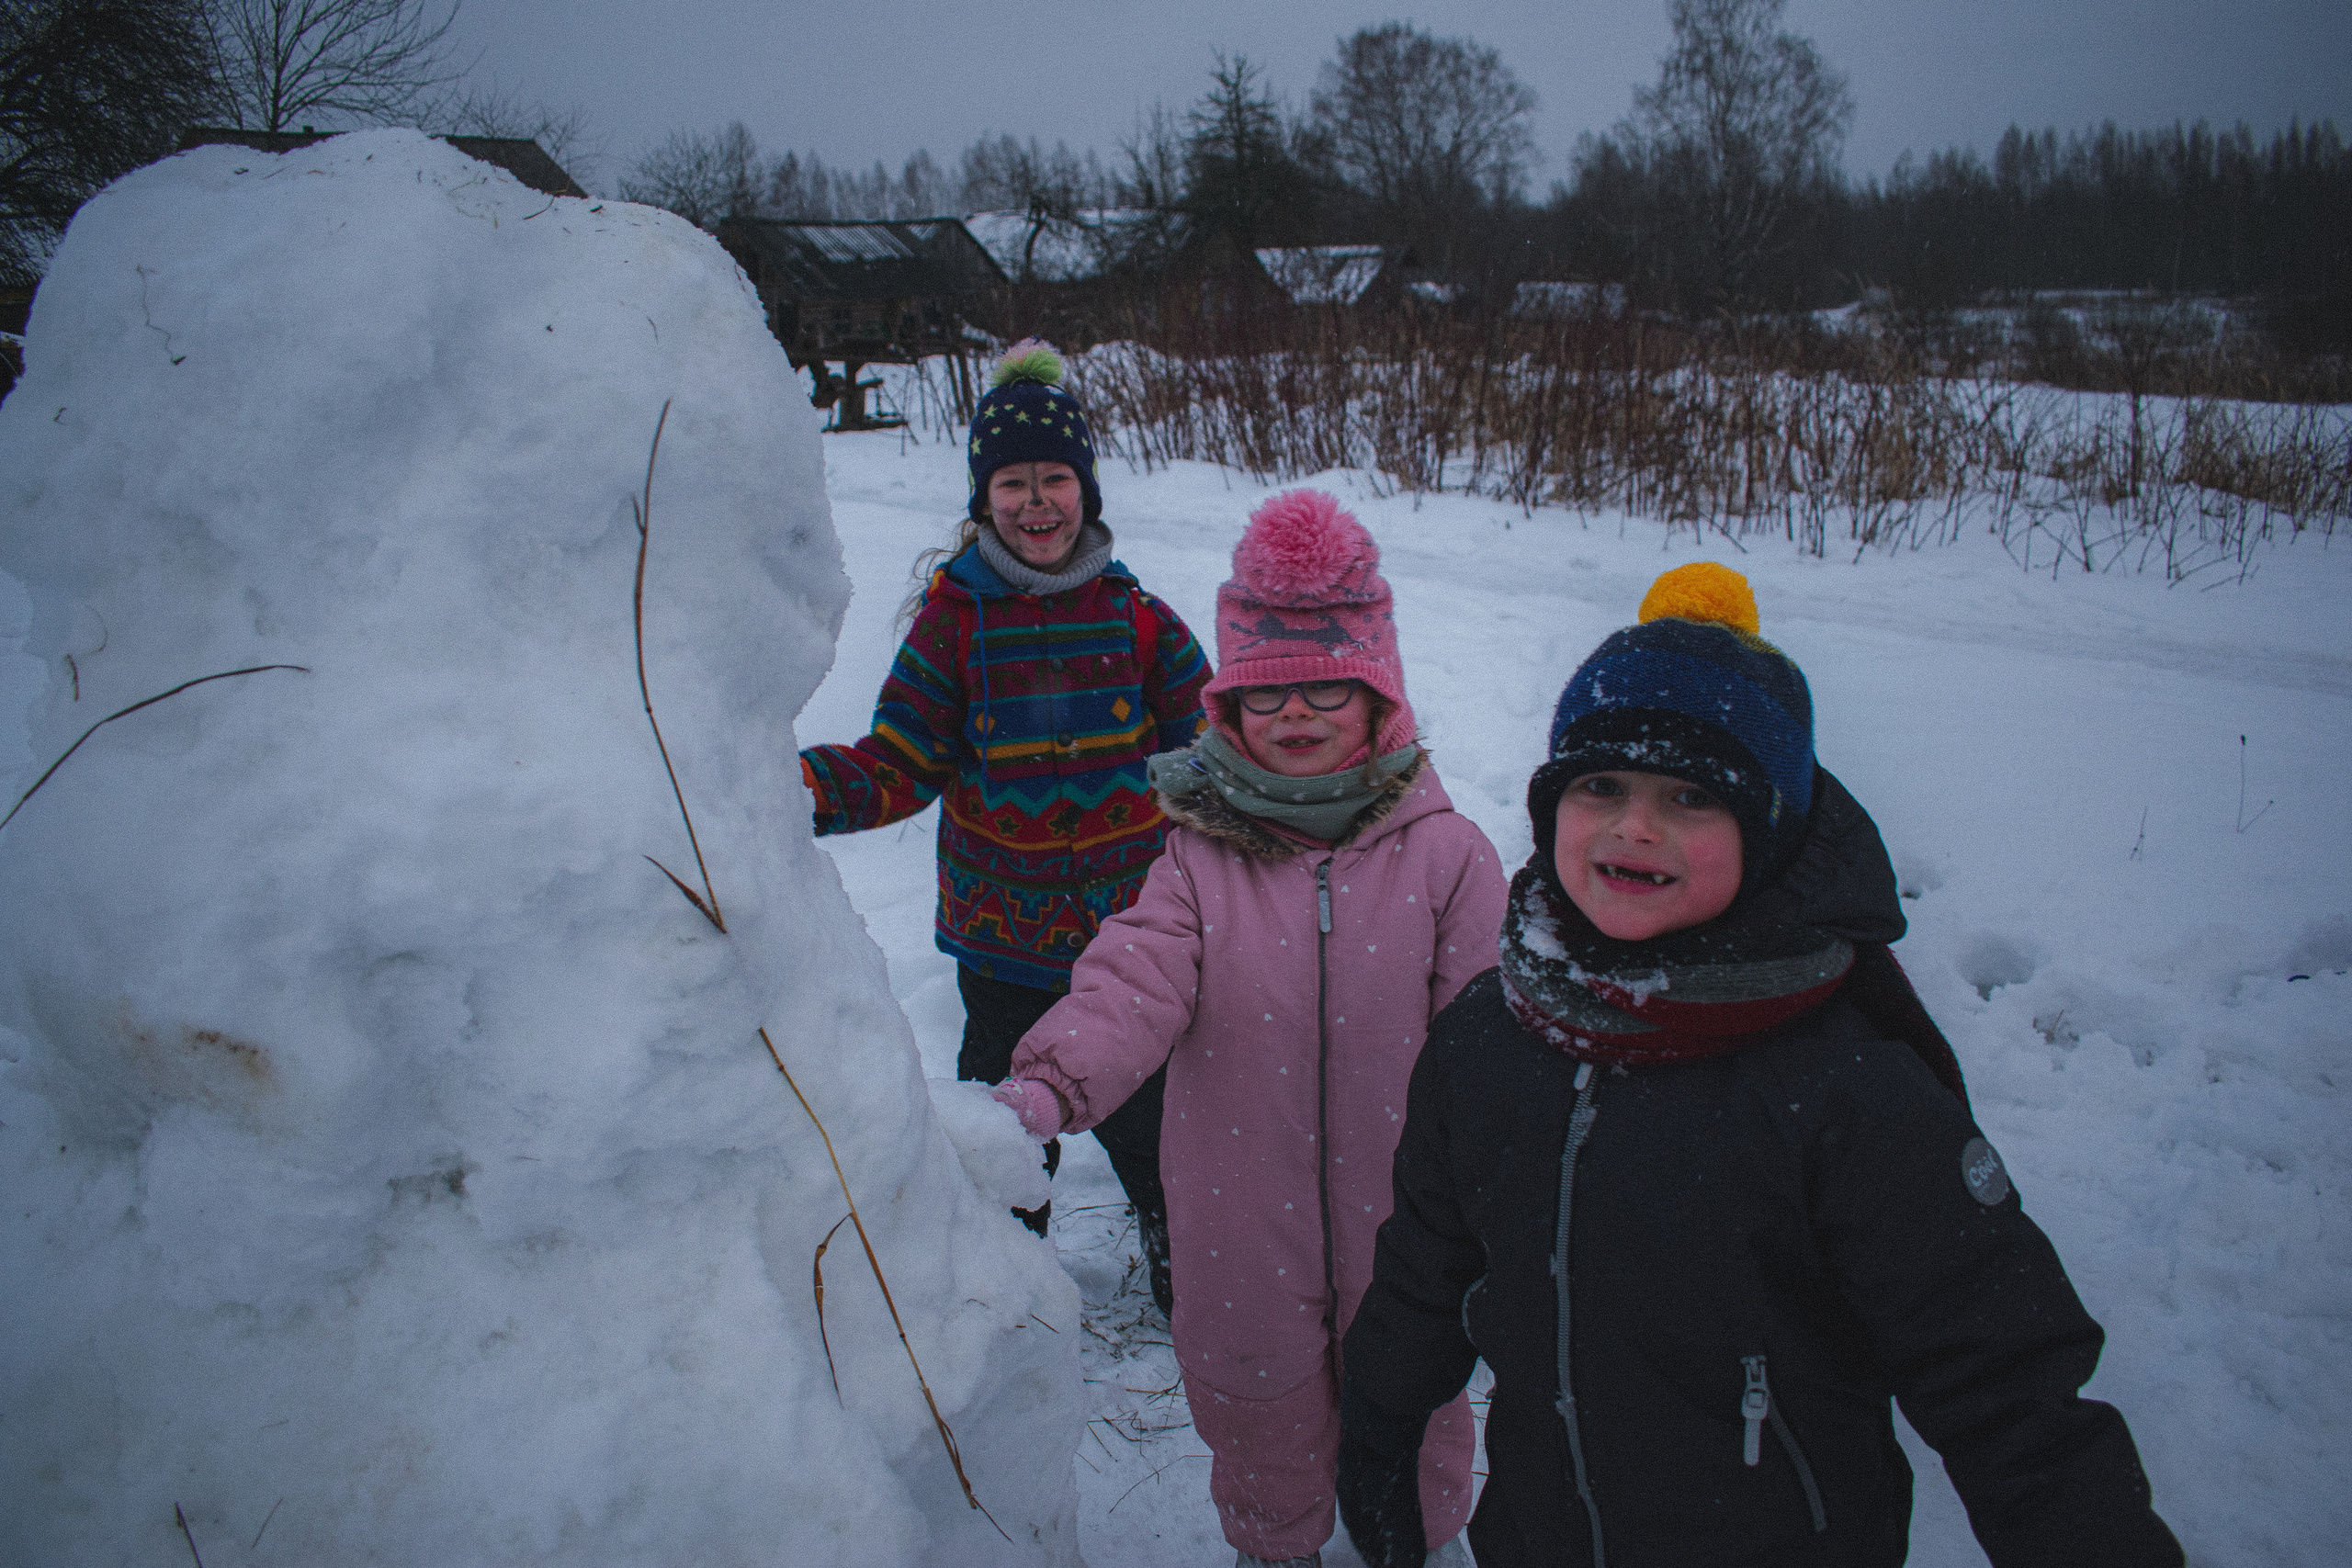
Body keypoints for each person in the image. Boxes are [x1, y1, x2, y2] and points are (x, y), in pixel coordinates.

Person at [1332, 563, 2186, 1568]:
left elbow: (2006, 1384)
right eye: (1600, 784)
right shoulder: (1492, 1033)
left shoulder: (1844, 1084)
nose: (1634, 826)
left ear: (1769, 829)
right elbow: (1429, 1267)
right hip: (1542, 1533)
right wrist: (1378, 1425)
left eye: (1691, 795)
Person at [991, 490, 1507, 1568]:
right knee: (1258, 1410)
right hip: (1239, 1215)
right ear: (1227, 713)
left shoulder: (1447, 859)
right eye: (1267, 695)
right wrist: (1046, 1083)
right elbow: (1130, 982)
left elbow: (1492, 1034)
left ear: (1382, 703)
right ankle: (1276, 1552)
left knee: (1411, 1405)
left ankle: (1409, 1545)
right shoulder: (1197, 860)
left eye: (1330, 687)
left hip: (1404, 1222)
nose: (1298, 714)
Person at [799, 341, 1209, 1303]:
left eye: (1054, 479)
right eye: (1013, 484)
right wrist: (785, 789)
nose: (1036, 503)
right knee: (1001, 1143)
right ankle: (1004, 1306)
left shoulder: (1138, 620)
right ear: (984, 502)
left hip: (1127, 951)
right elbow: (899, 765)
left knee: (1157, 1133)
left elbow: (1208, 761)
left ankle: (1190, 1287)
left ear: (1087, 489)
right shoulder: (954, 625)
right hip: (1001, 953)